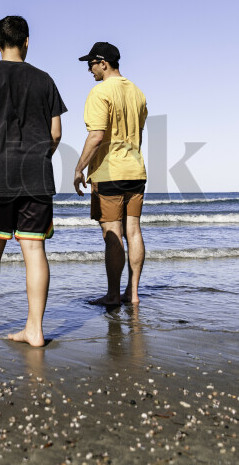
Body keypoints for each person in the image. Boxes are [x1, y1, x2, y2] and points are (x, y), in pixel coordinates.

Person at [0, 15, 67, 347]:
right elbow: (56, 133)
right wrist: (37, 158)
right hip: (37, 177)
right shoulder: (45, 80)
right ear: (27, 42)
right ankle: (34, 329)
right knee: (34, 248)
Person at [72, 42, 148, 305]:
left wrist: (79, 168)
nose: (89, 69)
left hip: (109, 172)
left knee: (113, 232)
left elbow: (96, 135)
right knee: (134, 231)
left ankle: (114, 295)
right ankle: (133, 293)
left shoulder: (100, 91)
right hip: (136, 170)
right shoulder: (138, 92)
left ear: (103, 62)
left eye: (91, 64)